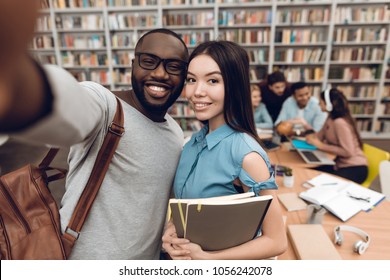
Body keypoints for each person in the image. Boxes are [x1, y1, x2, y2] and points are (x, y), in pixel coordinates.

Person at [0, 2, 190, 259]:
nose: (160, 74)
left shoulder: (176, 133)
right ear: (133, 65)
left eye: (173, 67)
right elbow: (71, 109)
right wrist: (16, 84)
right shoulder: (106, 106)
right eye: (149, 62)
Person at [162, 41, 287, 260]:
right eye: (191, 80)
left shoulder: (247, 155)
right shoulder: (191, 144)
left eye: (212, 80)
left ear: (234, 86)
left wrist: (209, 259)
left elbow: (276, 241)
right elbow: (188, 211)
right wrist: (171, 233)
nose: (197, 92)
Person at [305, 88, 368, 184]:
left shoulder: (340, 123)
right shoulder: (330, 117)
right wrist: (311, 137)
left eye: (321, 102)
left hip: (354, 168)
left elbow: (348, 152)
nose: (318, 104)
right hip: (338, 164)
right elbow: (319, 137)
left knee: (319, 184)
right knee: (308, 176)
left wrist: (320, 145)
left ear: (329, 105)